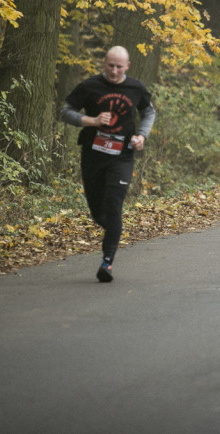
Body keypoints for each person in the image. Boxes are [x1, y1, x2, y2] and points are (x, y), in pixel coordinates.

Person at [61, 46, 156, 282]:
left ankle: (107, 262)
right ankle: (114, 230)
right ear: (104, 64)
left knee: (114, 206)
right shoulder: (89, 86)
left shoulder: (136, 88)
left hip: (122, 156)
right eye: (110, 66)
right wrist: (90, 120)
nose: (114, 71)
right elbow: (65, 111)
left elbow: (149, 112)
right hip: (93, 156)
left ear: (127, 66)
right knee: (98, 212)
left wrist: (141, 136)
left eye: (119, 66)